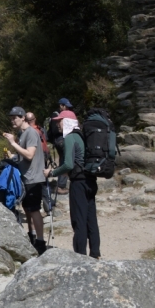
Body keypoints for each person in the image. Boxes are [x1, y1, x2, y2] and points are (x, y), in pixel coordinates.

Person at [44, 110, 100, 258]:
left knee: (78, 220)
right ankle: (95, 253)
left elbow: (68, 164)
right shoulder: (82, 136)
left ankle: (80, 255)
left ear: (68, 122)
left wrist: (52, 173)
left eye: (60, 122)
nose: (58, 125)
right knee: (91, 219)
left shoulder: (70, 138)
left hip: (78, 183)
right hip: (90, 181)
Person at [3, 106, 47, 255]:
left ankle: (41, 242)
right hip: (25, 177)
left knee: (34, 210)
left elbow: (29, 154)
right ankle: (32, 236)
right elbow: (23, 157)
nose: (12, 121)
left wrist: (13, 143)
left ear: (23, 118)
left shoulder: (31, 133)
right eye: (11, 118)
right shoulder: (22, 134)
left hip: (34, 178)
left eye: (15, 118)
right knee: (27, 208)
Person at [47, 111, 69, 194]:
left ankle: (60, 184)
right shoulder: (58, 116)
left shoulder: (54, 115)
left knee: (62, 160)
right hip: (61, 140)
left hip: (57, 141)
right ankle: (60, 186)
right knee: (65, 161)